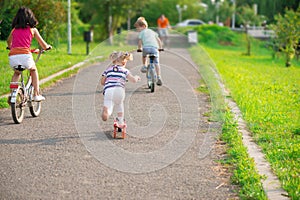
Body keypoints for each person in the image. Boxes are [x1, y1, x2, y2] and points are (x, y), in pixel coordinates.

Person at [7, 7, 51, 102]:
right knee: (33, 70)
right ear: (30, 17)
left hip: (13, 57)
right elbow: (43, 44)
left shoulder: (14, 30)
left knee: (17, 72)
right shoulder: (33, 30)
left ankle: (12, 94)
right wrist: (47, 47)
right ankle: (36, 94)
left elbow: (8, 41)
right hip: (25, 56)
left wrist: (10, 47)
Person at [100, 51, 141, 127]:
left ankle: (107, 112)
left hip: (109, 90)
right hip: (119, 90)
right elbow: (133, 80)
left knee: (108, 103)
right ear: (124, 63)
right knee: (119, 104)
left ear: (113, 61)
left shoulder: (108, 70)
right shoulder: (125, 71)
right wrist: (137, 77)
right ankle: (120, 122)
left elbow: (102, 82)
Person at [134, 17, 163, 86]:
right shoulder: (153, 32)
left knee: (144, 56)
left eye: (138, 28)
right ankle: (159, 76)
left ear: (144, 26)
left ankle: (144, 65)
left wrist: (139, 48)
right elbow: (158, 40)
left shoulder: (142, 33)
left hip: (146, 48)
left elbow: (140, 42)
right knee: (157, 63)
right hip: (155, 48)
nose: (137, 29)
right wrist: (160, 48)